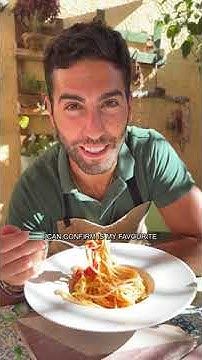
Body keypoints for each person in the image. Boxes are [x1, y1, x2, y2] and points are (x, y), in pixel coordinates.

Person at [0, 22, 202, 304]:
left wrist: (126, 275)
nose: (93, 131)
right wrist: (10, 279)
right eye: (73, 106)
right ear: (51, 111)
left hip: (142, 311)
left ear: (129, 106)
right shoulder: (35, 187)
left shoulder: (151, 153)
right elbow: (12, 300)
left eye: (109, 104)